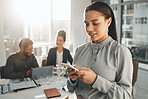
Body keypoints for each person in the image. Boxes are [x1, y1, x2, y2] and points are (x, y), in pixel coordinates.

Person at [66, 1, 133, 99]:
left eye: (95, 23)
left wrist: (95, 80)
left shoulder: (120, 52)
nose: (89, 29)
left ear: (108, 22)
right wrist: (72, 80)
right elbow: (70, 88)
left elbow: (126, 96)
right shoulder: (79, 50)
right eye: (87, 24)